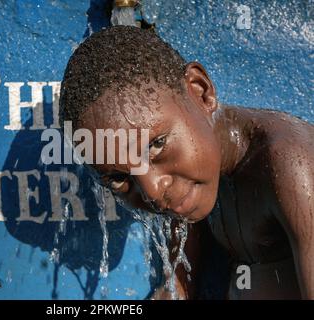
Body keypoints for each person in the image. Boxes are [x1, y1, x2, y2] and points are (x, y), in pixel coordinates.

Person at [58, 25, 314, 299]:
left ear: (200, 93)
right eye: (120, 178)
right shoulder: (192, 186)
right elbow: (175, 292)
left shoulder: (292, 167)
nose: (153, 192)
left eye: (156, 145)